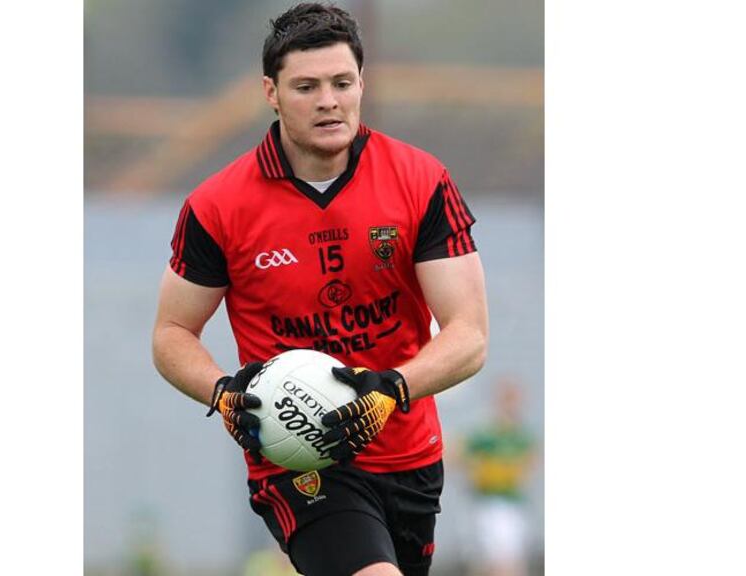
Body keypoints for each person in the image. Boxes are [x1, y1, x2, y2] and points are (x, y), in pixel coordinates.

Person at [152, 4, 489, 575]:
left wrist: (391, 391)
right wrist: (222, 394)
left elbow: (470, 335)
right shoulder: (218, 206)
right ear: (271, 92)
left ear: (362, 83)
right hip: (297, 457)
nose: (328, 100)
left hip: (408, 452)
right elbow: (171, 332)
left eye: (341, 82)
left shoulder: (421, 181)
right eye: (306, 86)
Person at [459, 379, 536, 576]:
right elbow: (461, 454)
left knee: (510, 558)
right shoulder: (488, 433)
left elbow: (531, 459)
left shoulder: (520, 434)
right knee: (500, 560)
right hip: (491, 503)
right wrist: (477, 475)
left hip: (513, 502)